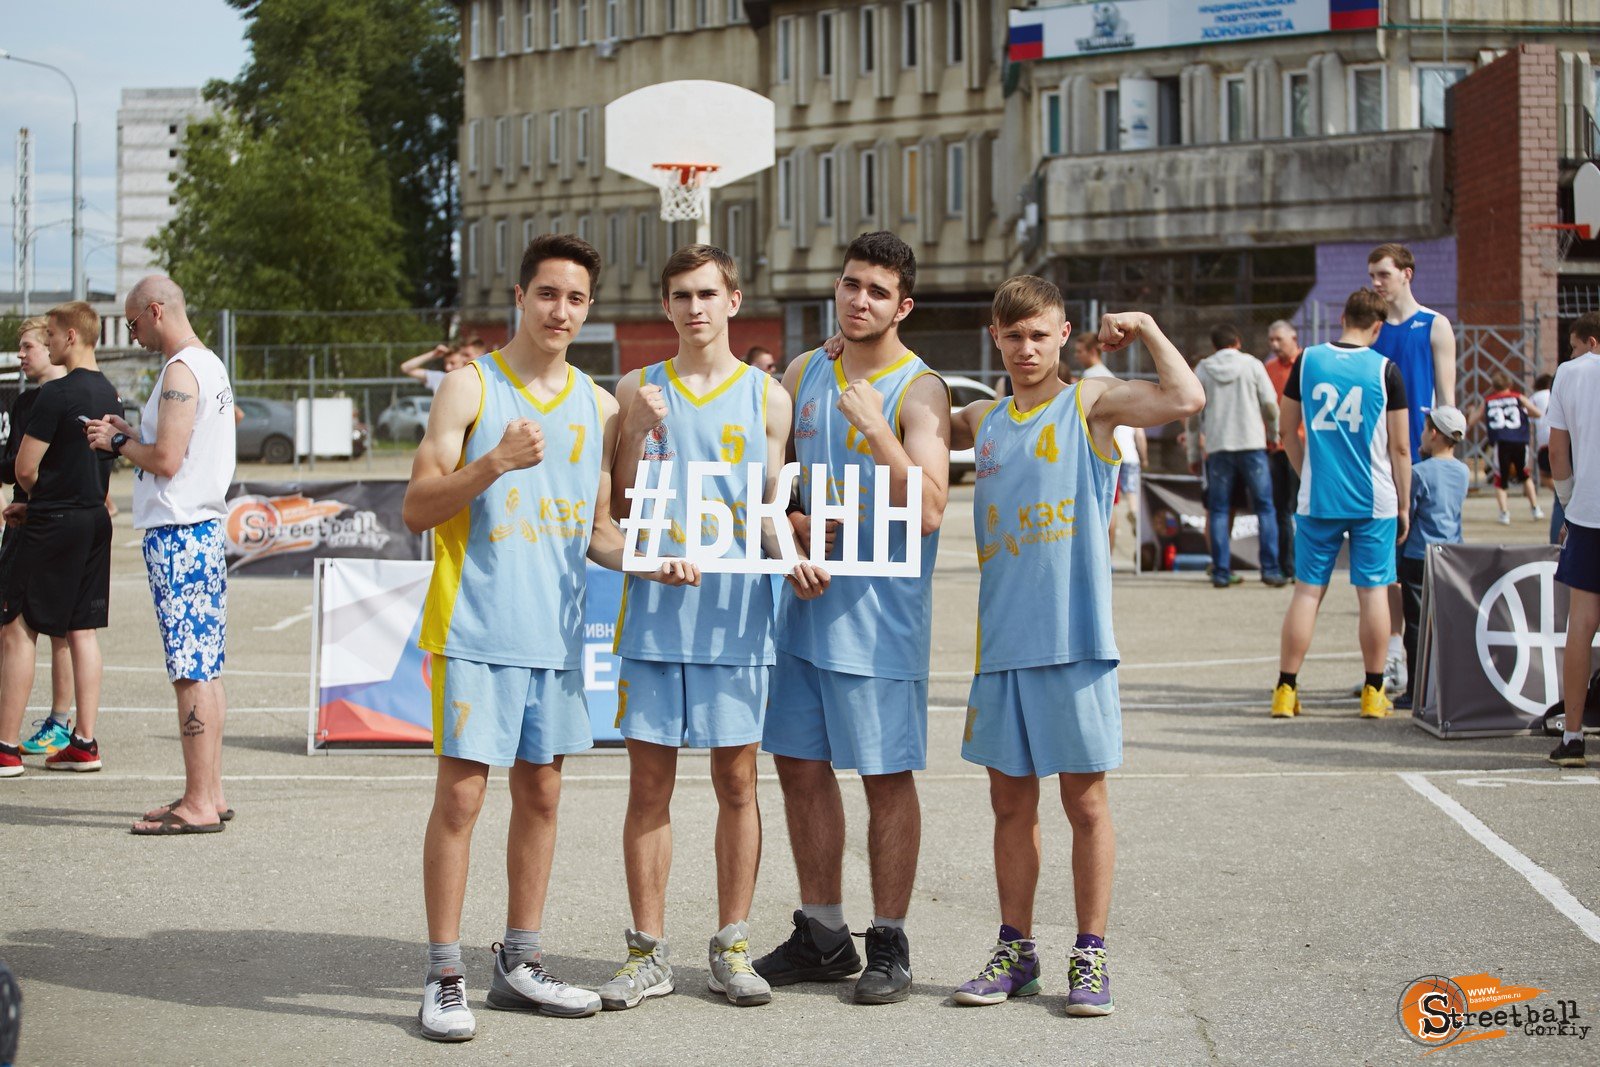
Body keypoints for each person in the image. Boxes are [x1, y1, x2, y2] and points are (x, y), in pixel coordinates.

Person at [401, 234, 696, 1042]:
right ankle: (444, 973)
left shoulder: (599, 407)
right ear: (520, 297)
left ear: (588, 308)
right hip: (475, 626)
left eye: (575, 298)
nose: (560, 310)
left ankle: (520, 961)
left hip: (557, 639)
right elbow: (417, 506)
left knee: (542, 794)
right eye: (547, 294)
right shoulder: (471, 386)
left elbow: (598, 529)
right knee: (461, 798)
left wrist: (650, 560)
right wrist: (493, 463)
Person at [947, 277, 1203, 1016]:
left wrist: (1146, 325)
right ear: (995, 338)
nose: (1026, 349)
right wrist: (847, 350)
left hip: (1075, 640)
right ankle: (1016, 951)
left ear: (1063, 335)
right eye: (1013, 336)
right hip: (1002, 644)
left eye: (1040, 335)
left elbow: (1185, 398)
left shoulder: (1089, 403)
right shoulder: (984, 418)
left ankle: (1090, 954)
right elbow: (912, 406)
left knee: (1084, 803)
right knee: (1008, 804)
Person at [600, 246, 819, 1011]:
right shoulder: (635, 387)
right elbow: (619, 504)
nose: (695, 307)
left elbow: (767, 507)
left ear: (733, 299)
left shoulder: (766, 397)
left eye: (706, 293)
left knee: (736, 781)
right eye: (680, 295)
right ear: (665, 305)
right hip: (656, 614)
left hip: (735, 619)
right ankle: (647, 952)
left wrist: (792, 556)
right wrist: (636, 429)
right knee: (649, 785)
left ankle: (731, 943)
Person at [754, 231, 951, 1006]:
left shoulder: (921, 389)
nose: (859, 299)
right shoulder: (805, 369)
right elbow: (779, 488)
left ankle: (889, 938)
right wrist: (794, 522)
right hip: (804, 606)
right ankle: (824, 932)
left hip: (880, 617)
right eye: (850, 284)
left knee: (884, 776)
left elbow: (929, 509)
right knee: (799, 767)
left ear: (904, 306)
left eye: (877, 291)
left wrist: (876, 429)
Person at [87, 279, 239, 834]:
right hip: (200, 529)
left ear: (155, 311)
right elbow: (182, 445)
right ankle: (209, 793)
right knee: (206, 667)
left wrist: (115, 443)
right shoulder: (208, 364)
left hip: (179, 533)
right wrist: (133, 433)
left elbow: (169, 460)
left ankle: (198, 803)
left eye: (133, 323)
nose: (133, 334)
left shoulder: (180, 370)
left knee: (189, 670)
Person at [1272, 288, 1411, 720]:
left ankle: (1285, 690)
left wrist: (1307, 473)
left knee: (1307, 592)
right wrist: (1405, 504)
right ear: (1378, 327)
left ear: (1342, 318)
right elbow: (1401, 447)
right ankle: (1373, 691)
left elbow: (1286, 430)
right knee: (1373, 593)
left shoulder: (1308, 360)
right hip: (1374, 498)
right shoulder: (1386, 369)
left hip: (1320, 496)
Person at [0, 303, 120, 779]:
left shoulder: (56, 393)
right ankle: (84, 741)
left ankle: (5, 748)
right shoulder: (110, 392)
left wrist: (38, 501)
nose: (47, 342)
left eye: (50, 334)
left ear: (71, 336)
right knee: (80, 628)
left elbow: (25, 468)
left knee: (18, 626)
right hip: (94, 518)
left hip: (53, 523)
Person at [1368, 243, 1457, 694]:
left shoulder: (1435, 325)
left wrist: (1446, 459)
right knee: (1385, 568)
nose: (1375, 283)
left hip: (1421, 459)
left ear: (1407, 274)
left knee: (1424, 567)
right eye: (1372, 275)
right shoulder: (1373, 328)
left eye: (1383, 274)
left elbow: (1448, 402)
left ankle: (1433, 662)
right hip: (1379, 460)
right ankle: (1392, 657)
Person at [2, 318, 75, 758]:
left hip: (51, 519)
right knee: (12, 624)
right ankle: (12, 722)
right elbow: (14, 463)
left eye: (28, 346)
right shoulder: (25, 402)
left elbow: (68, 470)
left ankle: (60, 722)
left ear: (51, 346)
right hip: (22, 520)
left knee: (59, 628)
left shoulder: (69, 396)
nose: (21, 354)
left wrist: (41, 503)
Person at [1186, 324, 1285, 588]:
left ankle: (1220, 571)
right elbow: (1270, 405)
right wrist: (1273, 434)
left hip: (1218, 446)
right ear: (1238, 342)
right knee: (1265, 507)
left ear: (1214, 346)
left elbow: (1193, 416)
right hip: (1251, 443)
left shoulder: (1204, 369)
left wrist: (1194, 453)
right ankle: (1271, 569)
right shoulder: (1252, 365)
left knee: (1219, 510)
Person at [1548, 310, 1600, 768]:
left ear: (1591, 341)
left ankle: (1574, 735)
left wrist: (1567, 501)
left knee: (1581, 625)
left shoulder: (1570, 373)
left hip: (1589, 511)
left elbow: (1557, 450)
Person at [1393, 407, 1469, 712]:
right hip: (1450, 554)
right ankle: (1447, 685)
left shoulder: (1418, 472)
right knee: (1445, 621)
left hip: (1418, 554)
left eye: (1425, 429)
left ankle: (1415, 689)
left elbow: (1408, 515)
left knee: (1415, 624)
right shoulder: (1463, 472)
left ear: (1434, 433)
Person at [1470, 370, 1543, 525]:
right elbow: (1537, 413)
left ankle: (1504, 513)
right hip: (1519, 440)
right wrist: (1523, 413)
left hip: (1501, 441)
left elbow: (1472, 421)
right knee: (1524, 474)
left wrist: (1471, 412)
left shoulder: (1488, 401)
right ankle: (1535, 508)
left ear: (1493, 386)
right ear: (1510, 384)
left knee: (1500, 478)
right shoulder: (1518, 397)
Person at [1263, 320, 1302, 580]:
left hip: (1303, 445)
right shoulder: (1269, 368)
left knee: (1301, 507)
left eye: (1279, 339)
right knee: (1281, 509)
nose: (1275, 345)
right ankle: (1287, 566)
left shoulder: (1308, 363)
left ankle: (1302, 565)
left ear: (1293, 338)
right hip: (1277, 448)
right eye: (1271, 340)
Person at [1531, 371, 1562, 542]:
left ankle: (1561, 491)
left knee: (1545, 477)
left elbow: (1529, 414)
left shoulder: (1536, 396)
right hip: (1561, 438)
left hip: (1546, 440)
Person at [401, 343, 470, 393]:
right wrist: (433, 355)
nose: (447, 367)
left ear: (464, 362)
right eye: (445, 363)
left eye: (452, 363)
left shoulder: (471, 381)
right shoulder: (440, 377)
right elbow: (405, 368)